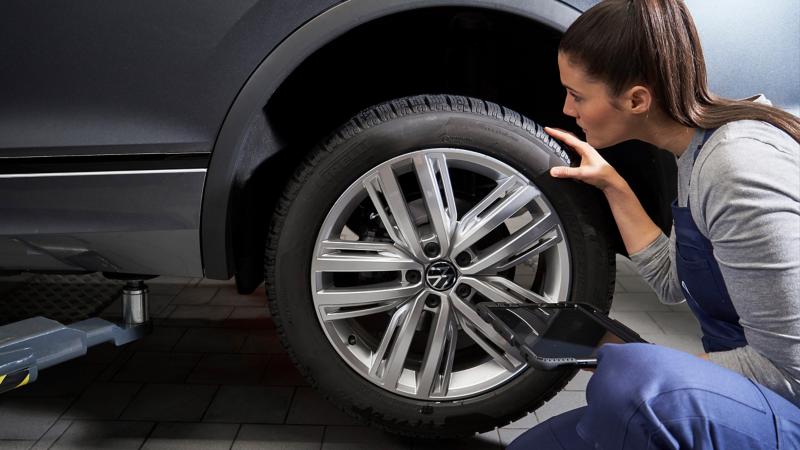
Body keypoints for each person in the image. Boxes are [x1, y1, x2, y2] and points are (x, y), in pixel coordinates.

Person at [508, 0, 800, 448]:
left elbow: (791, 370)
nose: (568, 108)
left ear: (637, 99)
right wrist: (613, 185)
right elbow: (672, 280)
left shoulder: (736, 170)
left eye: (578, 95)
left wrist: (662, 366)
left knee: (630, 378)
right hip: (750, 390)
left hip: (786, 407)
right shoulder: (697, 154)